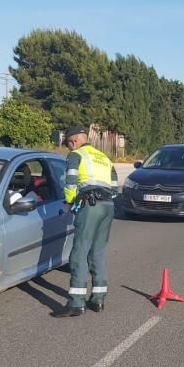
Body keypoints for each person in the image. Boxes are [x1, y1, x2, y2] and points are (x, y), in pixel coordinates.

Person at [53, 125, 118, 318]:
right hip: (108, 206)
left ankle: (76, 303)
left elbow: (70, 182)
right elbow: (114, 187)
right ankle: (98, 300)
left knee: (79, 252)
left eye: (68, 144)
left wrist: (70, 202)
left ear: (73, 141)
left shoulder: (77, 155)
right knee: (97, 252)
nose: (69, 148)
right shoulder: (104, 157)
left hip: (90, 205)